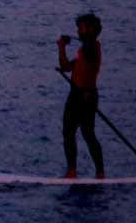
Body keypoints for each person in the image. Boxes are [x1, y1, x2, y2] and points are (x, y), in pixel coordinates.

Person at [57, 12, 105, 178]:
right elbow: (66, 67)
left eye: (81, 28)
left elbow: (90, 71)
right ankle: (74, 171)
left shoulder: (91, 47)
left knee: (85, 133)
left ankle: (96, 172)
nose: (78, 31)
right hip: (78, 94)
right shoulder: (84, 48)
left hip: (84, 95)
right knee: (71, 132)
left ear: (90, 29)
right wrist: (61, 47)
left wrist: (85, 92)